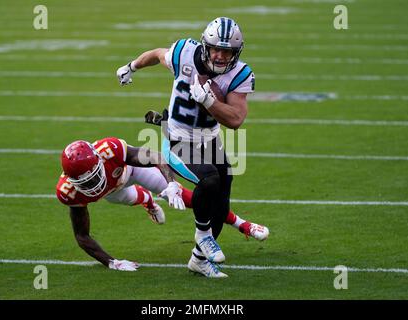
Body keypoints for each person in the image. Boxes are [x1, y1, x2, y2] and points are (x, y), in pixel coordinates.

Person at [116, 17, 259, 277]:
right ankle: (203, 234)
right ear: (205, 45)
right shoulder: (184, 52)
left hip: (210, 139)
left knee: (221, 206)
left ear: (236, 52)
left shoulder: (239, 74)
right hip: (177, 137)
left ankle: (198, 260)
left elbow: (236, 120)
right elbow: (158, 54)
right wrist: (132, 66)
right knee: (210, 181)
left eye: (226, 51)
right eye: (215, 48)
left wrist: (208, 101)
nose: (219, 55)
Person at [56, 136, 268, 275]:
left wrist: (172, 183)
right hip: (113, 192)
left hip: (131, 171)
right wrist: (112, 262)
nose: (92, 184)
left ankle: (242, 225)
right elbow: (82, 236)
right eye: (85, 182)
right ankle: (146, 200)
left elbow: (156, 157)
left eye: (92, 177)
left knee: (194, 201)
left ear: (99, 161)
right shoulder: (70, 193)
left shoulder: (110, 150)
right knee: (132, 198)